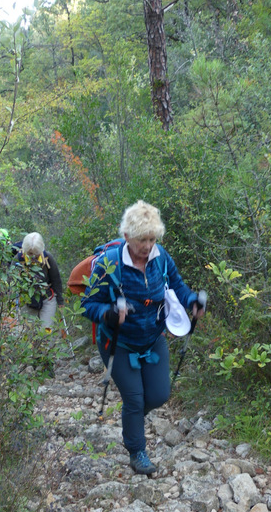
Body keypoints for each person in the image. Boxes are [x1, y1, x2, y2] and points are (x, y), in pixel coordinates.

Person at [81, 201, 205, 476]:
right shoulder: (109, 265)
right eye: (141, 240)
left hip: (153, 338)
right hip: (118, 342)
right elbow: (88, 305)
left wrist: (192, 301)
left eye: (151, 239)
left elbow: (178, 286)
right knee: (135, 399)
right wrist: (109, 313)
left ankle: (131, 417)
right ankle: (137, 452)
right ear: (126, 237)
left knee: (160, 395)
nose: (147, 246)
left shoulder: (161, 258)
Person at [16, 232, 64, 329]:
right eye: (30, 253)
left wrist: (60, 302)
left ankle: (47, 344)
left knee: (46, 331)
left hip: (47, 298)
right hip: (27, 300)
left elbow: (56, 280)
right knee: (28, 333)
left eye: (36, 254)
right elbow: (12, 280)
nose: (33, 256)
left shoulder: (48, 258)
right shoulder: (18, 259)